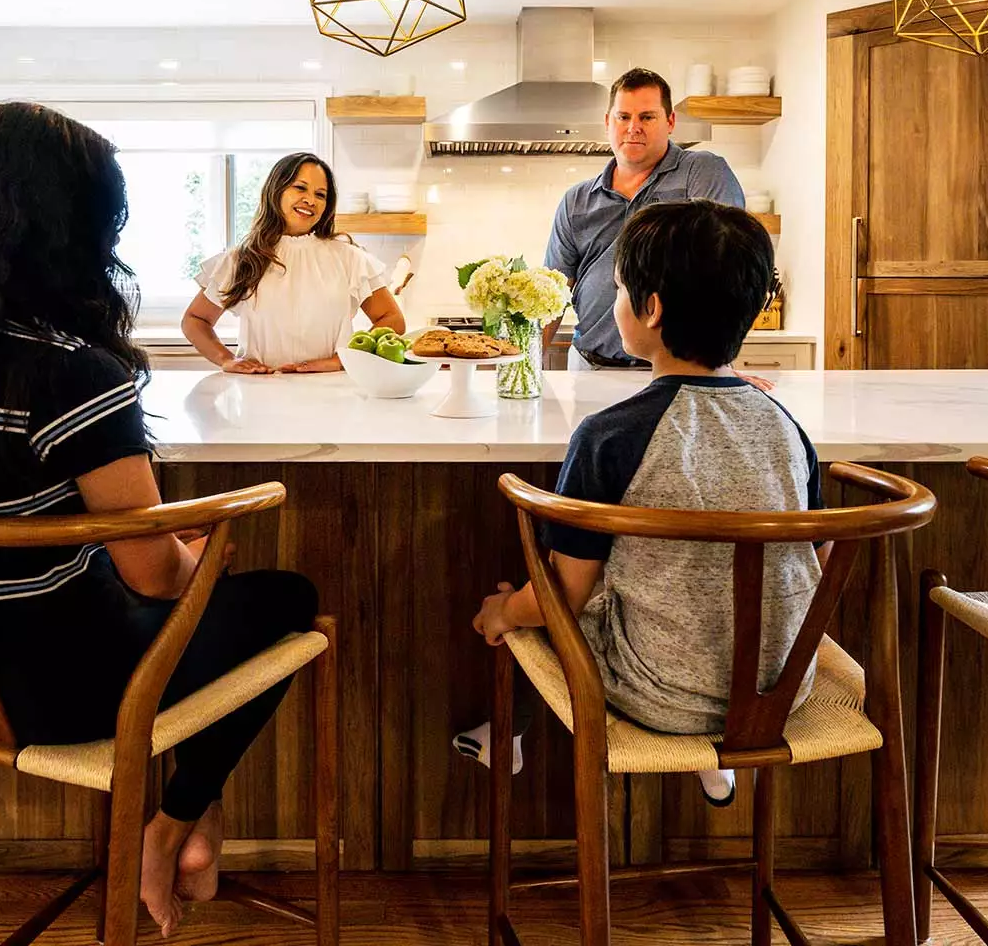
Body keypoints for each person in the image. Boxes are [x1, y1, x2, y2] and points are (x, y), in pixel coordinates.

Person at [0, 102, 317, 935]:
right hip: (83, 695)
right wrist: (191, 555)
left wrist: (159, 546)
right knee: (286, 598)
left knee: (189, 585)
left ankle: (192, 824)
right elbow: (155, 577)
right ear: (73, 232)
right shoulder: (72, 374)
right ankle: (173, 823)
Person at [471, 200, 812, 806]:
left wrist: (501, 615)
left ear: (650, 310)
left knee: (539, 601)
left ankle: (506, 732)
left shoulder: (610, 436)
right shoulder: (787, 428)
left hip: (657, 694)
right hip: (780, 690)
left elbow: (564, 595)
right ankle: (716, 759)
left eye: (621, 288)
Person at [544, 68, 744, 371]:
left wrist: (721, 368)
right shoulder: (577, 200)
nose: (633, 127)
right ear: (608, 122)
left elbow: (727, 269)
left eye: (647, 117)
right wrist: (522, 367)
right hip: (589, 367)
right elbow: (550, 295)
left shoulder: (701, 172)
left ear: (671, 122)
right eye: (623, 117)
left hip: (676, 370)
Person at [182, 152, 404, 373]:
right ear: (276, 190)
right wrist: (226, 359)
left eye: (320, 194)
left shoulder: (349, 257)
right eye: (300, 188)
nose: (310, 200)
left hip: (333, 393)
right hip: (259, 394)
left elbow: (392, 319)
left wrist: (342, 360)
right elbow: (195, 320)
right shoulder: (241, 260)